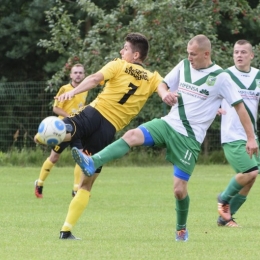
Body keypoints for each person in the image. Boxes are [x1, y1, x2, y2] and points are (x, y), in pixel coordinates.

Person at [70, 35, 258, 242]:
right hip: (168, 124)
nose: (190, 57)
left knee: (179, 190)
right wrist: (165, 93)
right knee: (132, 135)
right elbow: (162, 83)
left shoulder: (221, 77)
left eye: (193, 54)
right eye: (188, 53)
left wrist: (251, 138)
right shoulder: (183, 65)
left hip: (189, 139)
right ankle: (91, 161)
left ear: (206, 54)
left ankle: (181, 229)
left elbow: (239, 107)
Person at [37, 32, 164, 239]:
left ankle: (52, 136)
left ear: (135, 54)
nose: (121, 51)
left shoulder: (119, 65)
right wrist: (167, 95)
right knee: (86, 184)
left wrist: (73, 92)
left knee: (66, 128)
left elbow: (95, 79)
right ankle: (66, 230)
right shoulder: (152, 78)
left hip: (94, 114)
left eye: (125, 49)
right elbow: (164, 89)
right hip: (109, 130)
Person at [216, 40, 260, 227]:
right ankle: (224, 199)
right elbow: (206, 95)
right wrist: (214, 108)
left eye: (243, 52)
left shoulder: (258, 76)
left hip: (252, 136)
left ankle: (226, 218)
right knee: (251, 172)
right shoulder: (224, 75)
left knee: (250, 179)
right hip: (232, 135)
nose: (239, 55)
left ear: (251, 55)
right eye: (236, 52)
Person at [34, 63, 87, 198]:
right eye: (75, 72)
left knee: (81, 157)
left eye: (80, 72)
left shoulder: (85, 88)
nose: (78, 75)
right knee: (54, 157)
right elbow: (55, 108)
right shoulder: (65, 89)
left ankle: (76, 190)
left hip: (78, 129)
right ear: (70, 75)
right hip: (62, 129)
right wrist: (70, 117)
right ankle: (39, 184)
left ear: (84, 74)